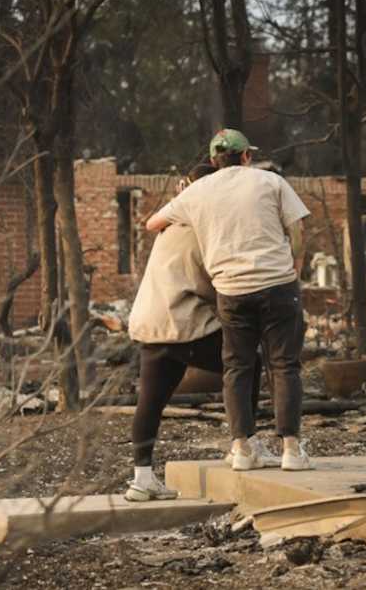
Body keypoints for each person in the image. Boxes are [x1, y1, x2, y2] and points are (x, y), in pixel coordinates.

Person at [146, 129, 312, 471]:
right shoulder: (270, 181)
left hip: (232, 291)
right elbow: (297, 229)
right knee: (284, 366)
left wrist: (183, 200)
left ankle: (241, 449)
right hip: (278, 285)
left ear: (212, 161)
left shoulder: (199, 192)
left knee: (237, 366)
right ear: (246, 156)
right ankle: (292, 450)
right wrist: (295, 269)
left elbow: (153, 223)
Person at [124, 163, 277, 501]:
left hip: (152, 323)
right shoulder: (205, 226)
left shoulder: (173, 223)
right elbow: (217, 282)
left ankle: (142, 478)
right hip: (184, 321)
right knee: (246, 362)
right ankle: (246, 444)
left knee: (150, 401)